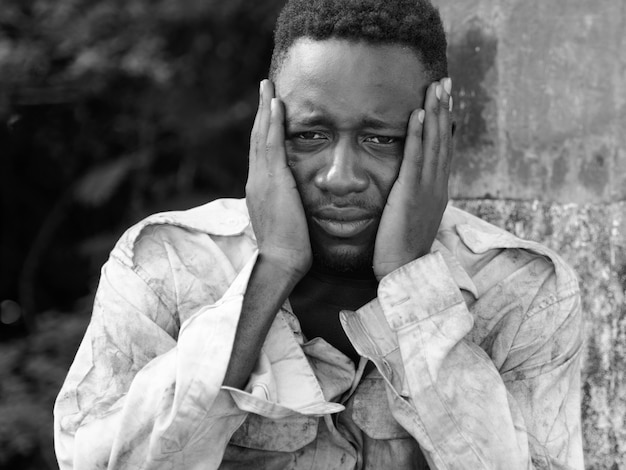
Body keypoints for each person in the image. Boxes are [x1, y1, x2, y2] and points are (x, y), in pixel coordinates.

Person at [54, 0, 584, 468]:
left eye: (380, 139)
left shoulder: (522, 292)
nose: (340, 177)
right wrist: (274, 268)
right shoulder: (163, 263)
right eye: (310, 135)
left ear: (440, 138)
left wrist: (411, 285)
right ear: (268, 128)